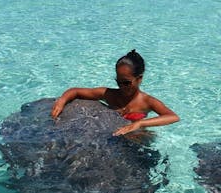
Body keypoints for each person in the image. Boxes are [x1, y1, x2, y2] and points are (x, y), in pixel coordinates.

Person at [51, 50, 180, 136]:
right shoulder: (109, 94)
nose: (122, 87)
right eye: (118, 82)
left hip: (138, 140)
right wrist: (62, 100)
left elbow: (173, 117)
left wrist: (140, 123)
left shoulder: (146, 101)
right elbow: (76, 91)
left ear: (139, 78)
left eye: (126, 83)